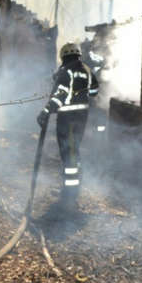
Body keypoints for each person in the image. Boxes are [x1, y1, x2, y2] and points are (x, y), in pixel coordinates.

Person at [36, 42, 99, 205]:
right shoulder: (86, 69)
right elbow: (94, 92)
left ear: (63, 56)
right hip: (82, 117)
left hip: (68, 119)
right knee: (74, 149)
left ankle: (69, 192)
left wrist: (46, 110)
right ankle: (74, 186)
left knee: (68, 153)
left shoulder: (66, 71)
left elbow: (60, 95)